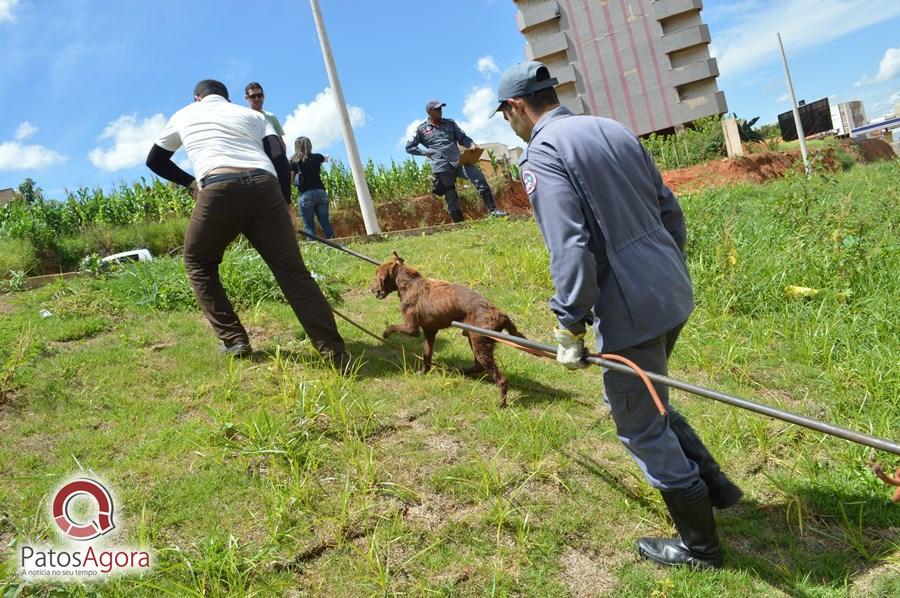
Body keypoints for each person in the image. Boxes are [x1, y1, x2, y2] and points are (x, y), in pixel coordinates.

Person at [495, 61, 742, 569]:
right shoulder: (611, 127)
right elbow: (669, 210)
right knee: (650, 396)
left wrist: (569, 322)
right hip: (671, 290)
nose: (509, 124)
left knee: (639, 425)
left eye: (505, 115)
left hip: (631, 307)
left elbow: (571, 248)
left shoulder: (543, 152)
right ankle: (715, 486)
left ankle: (701, 548)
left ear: (517, 106)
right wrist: (662, 266)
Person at [145, 79, 349, 370]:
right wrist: (285, 204)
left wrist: (190, 182)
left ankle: (234, 339)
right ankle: (334, 352)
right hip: (265, 188)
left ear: (197, 98)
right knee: (293, 272)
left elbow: (155, 160)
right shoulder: (253, 116)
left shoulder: (184, 114)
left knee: (198, 261)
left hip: (218, 187)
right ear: (229, 99)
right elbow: (279, 157)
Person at [405, 100, 508, 222]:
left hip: (459, 161)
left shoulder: (450, 123)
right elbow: (409, 147)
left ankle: (493, 211)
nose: (440, 111)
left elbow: (463, 138)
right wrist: (424, 152)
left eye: (441, 108)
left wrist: (471, 144)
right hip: (441, 166)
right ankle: (459, 223)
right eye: (437, 109)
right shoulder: (421, 129)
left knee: (479, 178)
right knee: (450, 195)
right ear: (430, 111)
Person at [290, 136, 335, 239]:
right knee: (325, 223)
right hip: (321, 193)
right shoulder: (317, 157)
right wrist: (327, 158)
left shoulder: (293, 161)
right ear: (309, 145)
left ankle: (313, 247)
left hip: (305, 195)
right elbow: (326, 158)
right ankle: (335, 244)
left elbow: (291, 180)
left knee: (309, 226)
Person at [245, 81, 286, 152]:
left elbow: (280, 142)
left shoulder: (271, 117)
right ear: (247, 98)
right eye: (253, 96)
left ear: (263, 96)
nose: (257, 98)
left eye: (259, 95)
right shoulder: (244, 117)